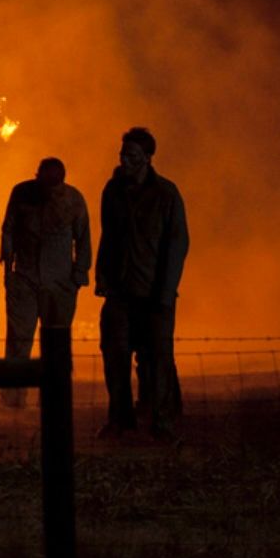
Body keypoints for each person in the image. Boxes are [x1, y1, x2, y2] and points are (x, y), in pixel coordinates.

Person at [93, 128, 189, 441]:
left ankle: (162, 421)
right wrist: (102, 278)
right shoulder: (113, 191)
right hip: (120, 292)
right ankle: (121, 420)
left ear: (148, 158)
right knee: (115, 356)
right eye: (123, 155)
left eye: (133, 156)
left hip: (154, 295)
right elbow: (107, 237)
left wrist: (165, 291)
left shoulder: (166, 194)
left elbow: (177, 243)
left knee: (158, 359)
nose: (126, 161)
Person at [0, 158, 92, 410]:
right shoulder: (22, 193)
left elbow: (83, 238)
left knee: (56, 344)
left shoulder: (73, 200)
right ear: (36, 176)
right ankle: (12, 401)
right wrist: (9, 271)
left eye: (54, 186)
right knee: (19, 341)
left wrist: (77, 276)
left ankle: (53, 402)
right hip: (25, 280)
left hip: (59, 284)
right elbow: (8, 229)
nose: (49, 191)